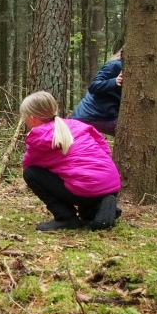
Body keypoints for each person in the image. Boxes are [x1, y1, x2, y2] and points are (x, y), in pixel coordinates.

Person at [21, 91, 121, 232]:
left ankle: (66, 218)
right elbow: (104, 148)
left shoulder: (38, 136)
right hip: (111, 184)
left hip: (85, 190)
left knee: (30, 173)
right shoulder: (76, 124)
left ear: (33, 118)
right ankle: (98, 206)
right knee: (87, 213)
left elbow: (29, 165)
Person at [71, 50, 123, 136]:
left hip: (103, 115)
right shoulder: (115, 65)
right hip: (91, 115)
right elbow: (94, 86)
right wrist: (114, 81)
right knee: (132, 131)